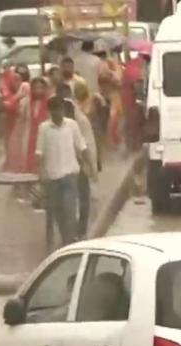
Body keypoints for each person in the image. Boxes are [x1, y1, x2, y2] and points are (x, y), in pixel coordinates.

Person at [37, 95, 93, 245]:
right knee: (57, 213)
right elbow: (39, 153)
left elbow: (81, 147)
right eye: (54, 111)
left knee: (69, 209)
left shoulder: (72, 125)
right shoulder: (44, 129)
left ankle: (70, 241)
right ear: (50, 112)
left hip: (70, 175)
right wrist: (41, 174)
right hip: (52, 176)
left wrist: (89, 166)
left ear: (63, 110)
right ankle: (65, 238)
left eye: (60, 110)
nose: (58, 114)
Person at [58, 84, 98, 236]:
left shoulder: (80, 120)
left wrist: (91, 167)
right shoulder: (52, 122)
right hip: (62, 166)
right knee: (65, 201)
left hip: (78, 165)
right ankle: (69, 231)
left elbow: (88, 145)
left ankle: (79, 230)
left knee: (82, 199)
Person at [1, 66, 32, 175]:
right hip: (19, 125)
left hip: (23, 125)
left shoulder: (25, 86)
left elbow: (12, 102)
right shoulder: (23, 88)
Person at [99, 48, 124, 150]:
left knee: (113, 120)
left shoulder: (110, 64)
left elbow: (118, 81)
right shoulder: (107, 65)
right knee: (112, 119)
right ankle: (111, 141)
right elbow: (118, 81)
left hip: (109, 96)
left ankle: (112, 141)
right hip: (108, 97)